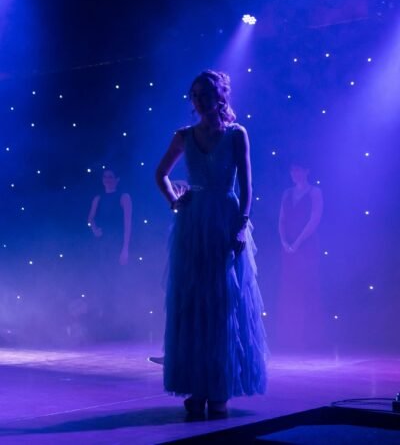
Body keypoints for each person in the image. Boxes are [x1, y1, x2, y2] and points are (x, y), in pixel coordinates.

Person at [155, 70, 267, 417]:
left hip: (225, 221)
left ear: (220, 97)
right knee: (192, 305)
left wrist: (241, 226)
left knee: (222, 305)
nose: (199, 101)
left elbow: (247, 186)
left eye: (205, 94)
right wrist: (175, 202)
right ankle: (196, 384)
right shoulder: (184, 135)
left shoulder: (236, 134)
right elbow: (160, 174)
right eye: (195, 96)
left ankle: (219, 385)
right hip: (192, 224)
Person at [278, 160, 323, 351]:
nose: (294, 173)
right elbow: (281, 220)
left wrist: (297, 243)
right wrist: (284, 242)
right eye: (292, 170)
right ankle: (290, 338)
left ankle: (310, 339)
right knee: (290, 289)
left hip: (306, 246)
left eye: (298, 170)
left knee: (307, 288)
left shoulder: (315, 192)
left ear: (306, 171)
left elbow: (314, 220)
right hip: (288, 247)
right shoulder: (287, 193)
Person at [87, 167, 132, 338]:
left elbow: (128, 224)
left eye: (110, 176)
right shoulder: (98, 198)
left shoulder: (124, 197)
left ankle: (118, 326)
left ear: (117, 179)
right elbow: (90, 219)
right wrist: (94, 229)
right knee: (101, 283)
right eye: (105, 176)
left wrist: (125, 248)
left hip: (117, 245)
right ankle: (103, 325)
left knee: (116, 283)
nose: (107, 179)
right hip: (102, 246)